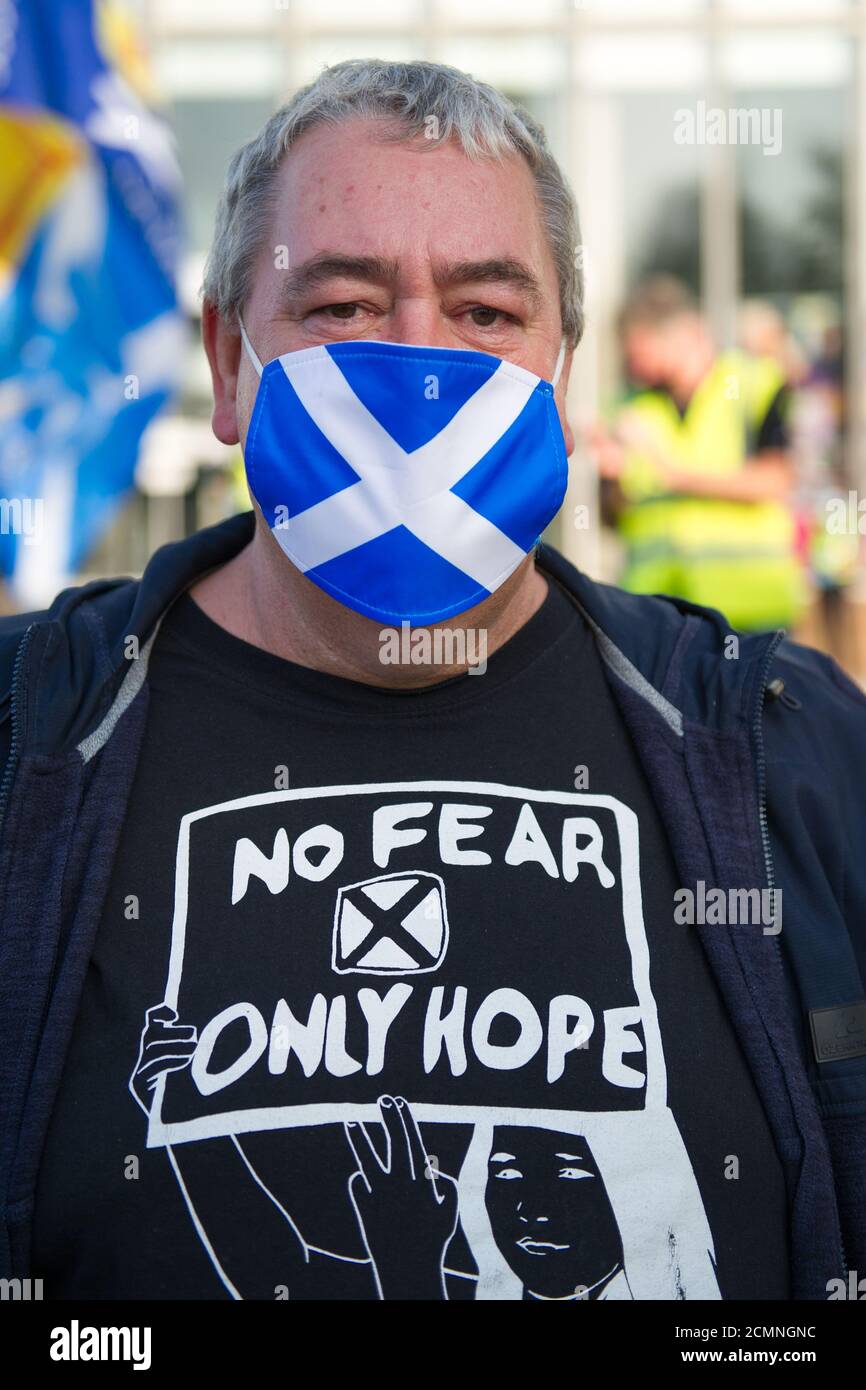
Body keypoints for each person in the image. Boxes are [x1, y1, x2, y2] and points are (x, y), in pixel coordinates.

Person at [0, 59, 864, 1304]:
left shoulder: (784, 751)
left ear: (560, 368)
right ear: (227, 363)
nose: (419, 370)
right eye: (344, 305)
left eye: (485, 314)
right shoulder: (28, 739)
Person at [591, 276, 808, 632]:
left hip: (750, 613)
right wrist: (611, 481)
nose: (636, 366)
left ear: (686, 333)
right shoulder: (630, 405)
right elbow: (615, 519)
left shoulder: (756, 383)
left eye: (642, 350)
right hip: (659, 618)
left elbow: (775, 481)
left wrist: (674, 474)